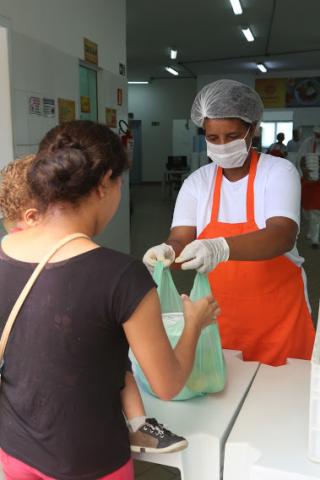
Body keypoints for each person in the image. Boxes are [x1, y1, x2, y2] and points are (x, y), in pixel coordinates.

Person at [0, 121, 219, 480]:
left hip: (15, 451)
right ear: (105, 183)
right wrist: (194, 322)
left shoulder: (5, 252)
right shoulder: (121, 275)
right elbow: (167, 383)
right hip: (91, 460)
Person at [143, 79, 315, 367]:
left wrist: (219, 247)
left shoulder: (277, 172)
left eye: (232, 136)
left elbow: (281, 234)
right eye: (213, 138)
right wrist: (168, 251)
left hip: (279, 320)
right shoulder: (198, 183)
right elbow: (181, 236)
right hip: (220, 320)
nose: (222, 146)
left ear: (253, 129)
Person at [297, 126, 320, 248]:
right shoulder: (307, 143)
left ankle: (315, 238)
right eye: (317, 134)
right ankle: (312, 231)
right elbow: (300, 160)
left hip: (318, 185)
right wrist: (304, 172)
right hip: (308, 182)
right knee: (307, 211)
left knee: (316, 211)